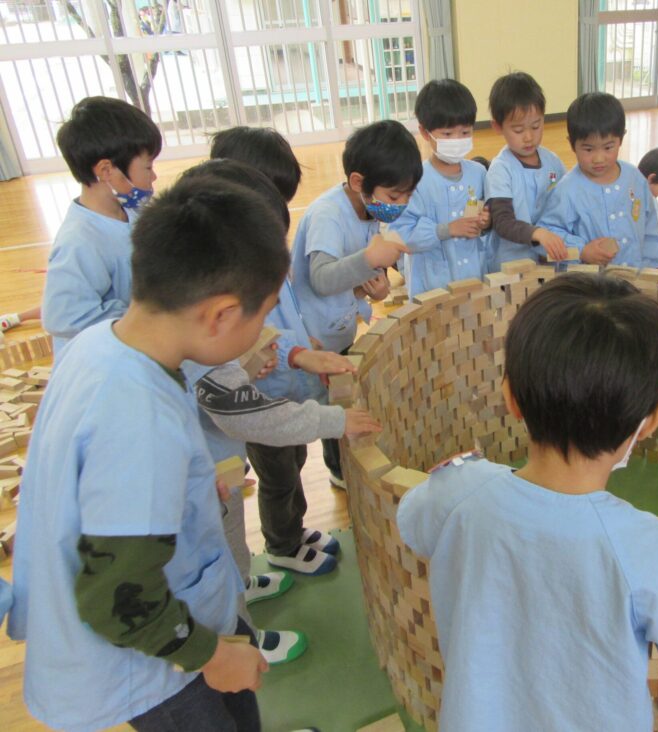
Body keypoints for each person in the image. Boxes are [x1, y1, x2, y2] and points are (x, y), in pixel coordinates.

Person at [397, 273, 658, 731]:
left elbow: (411, 523)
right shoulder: (653, 549)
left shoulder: (458, 490)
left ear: (510, 397)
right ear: (653, 419)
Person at [8, 176, 289, 730]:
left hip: (174, 619)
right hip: (153, 666)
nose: (265, 328)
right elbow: (117, 596)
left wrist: (186, 486)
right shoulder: (139, 414)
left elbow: (99, 481)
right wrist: (212, 654)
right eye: (263, 314)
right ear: (220, 315)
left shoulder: (100, 342)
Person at [178, 159, 381, 663]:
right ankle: (239, 638)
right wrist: (335, 420)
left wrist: (295, 353)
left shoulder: (194, 304)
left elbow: (259, 339)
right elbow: (252, 414)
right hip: (200, 478)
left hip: (214, 466)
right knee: (214, 557)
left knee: (229, 548)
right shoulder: (199, 347)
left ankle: (241, 587)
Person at [289, 120, 420, 489]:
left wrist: (373, 291)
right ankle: (338, 471)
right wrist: (370, 259)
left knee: (341, 400)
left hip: (339, 327)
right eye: (394, 196)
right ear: (359, 181)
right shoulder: (328, 214)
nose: (400, 205)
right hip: (314, 339)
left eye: (407, 196)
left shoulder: (368, 209)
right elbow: (322, 278)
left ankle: (341, 464)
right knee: (327, 408)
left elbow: (354, 276)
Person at [42, 96, 162, 359]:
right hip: (103, 360)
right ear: (107, 170)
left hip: (139, 345)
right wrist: (139, 315)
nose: (153, 176)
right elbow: (63, 317)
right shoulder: (80, 240)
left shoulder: (132, 212)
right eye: (148, 166)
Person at [536, 92, 658, 269]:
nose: (599, 158)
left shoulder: (635, 178)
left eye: (608, 147)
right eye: (588, 149)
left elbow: (650, 228)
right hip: (591, 283)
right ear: (572, 144)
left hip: (635, 278)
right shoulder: (568, 190)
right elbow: (545, 237)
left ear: (621, 139)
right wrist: (581, 250)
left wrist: (652, 268)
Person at [390, 79, 491, 295]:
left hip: (473, 278)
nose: (457, 140)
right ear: (425, 132)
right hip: (431, 287)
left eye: (465, 132)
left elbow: (484, 219)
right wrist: (445, 230)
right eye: (447, 134)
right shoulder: (414, 180)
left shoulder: (479, 173)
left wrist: (486, 222)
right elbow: (398, 235)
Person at [484, 71, 568, 267]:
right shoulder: (500, 169)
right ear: (497, 127)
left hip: (550, 259)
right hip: (512, 264)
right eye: (518, 130)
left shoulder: (553, 162)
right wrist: (537, 233)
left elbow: (568, 203)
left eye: (536, 126)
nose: (529, 137)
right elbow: (503, 222)